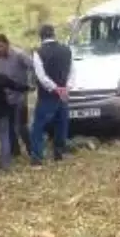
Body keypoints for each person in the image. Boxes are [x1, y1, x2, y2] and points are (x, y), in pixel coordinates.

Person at [0, 33, 33, 159]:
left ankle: (31, 149)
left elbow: (33, 67)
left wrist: (31, 84)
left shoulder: (19, 54)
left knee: (22, 125)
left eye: (0, 47)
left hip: (20, 94)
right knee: (8, 125)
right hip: (4, 96)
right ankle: (14, 151)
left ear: (7, 44)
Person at [30, 24, 72, 166]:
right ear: (53, 34)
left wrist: (55, 88)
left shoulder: (38, 53)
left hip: (47, 96)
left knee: (38, 127)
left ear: (40, 36)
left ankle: (37, 157)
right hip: (63, 95)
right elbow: (73, 71)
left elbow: (41, 77)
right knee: (61, 124)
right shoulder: (67, 50)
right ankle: (59, 153)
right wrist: (66, 88)